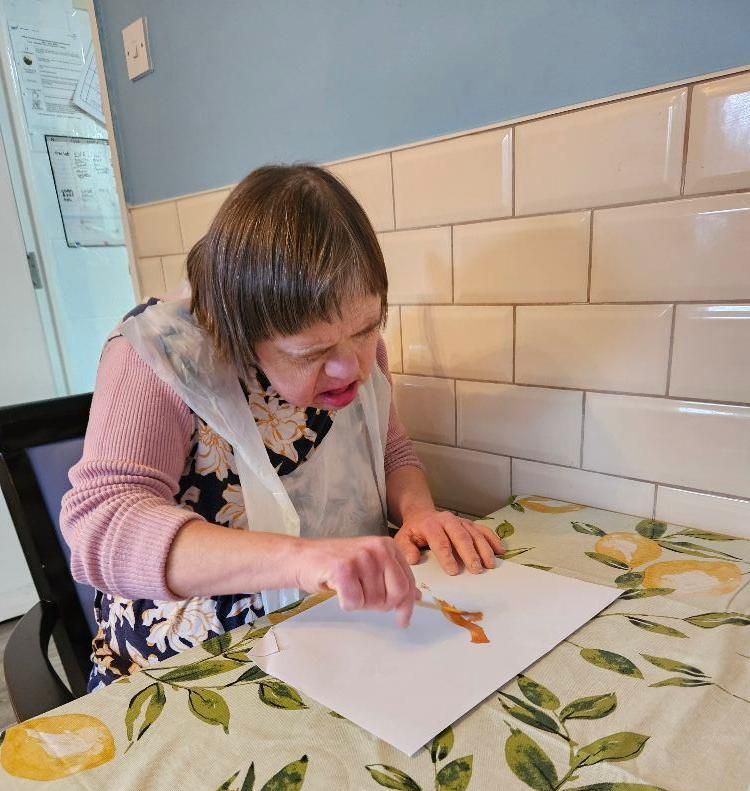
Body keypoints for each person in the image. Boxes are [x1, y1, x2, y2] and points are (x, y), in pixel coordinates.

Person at [61, 165, 504, 691]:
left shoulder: (361, 358)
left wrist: (419, 513)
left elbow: (392, 454)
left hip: (340, 629)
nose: (352, 369)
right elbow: (102, 528)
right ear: (239, 333)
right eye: (311, 353)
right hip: (196, 661)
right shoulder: (163, 360)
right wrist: (302, 560)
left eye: (366, 330)